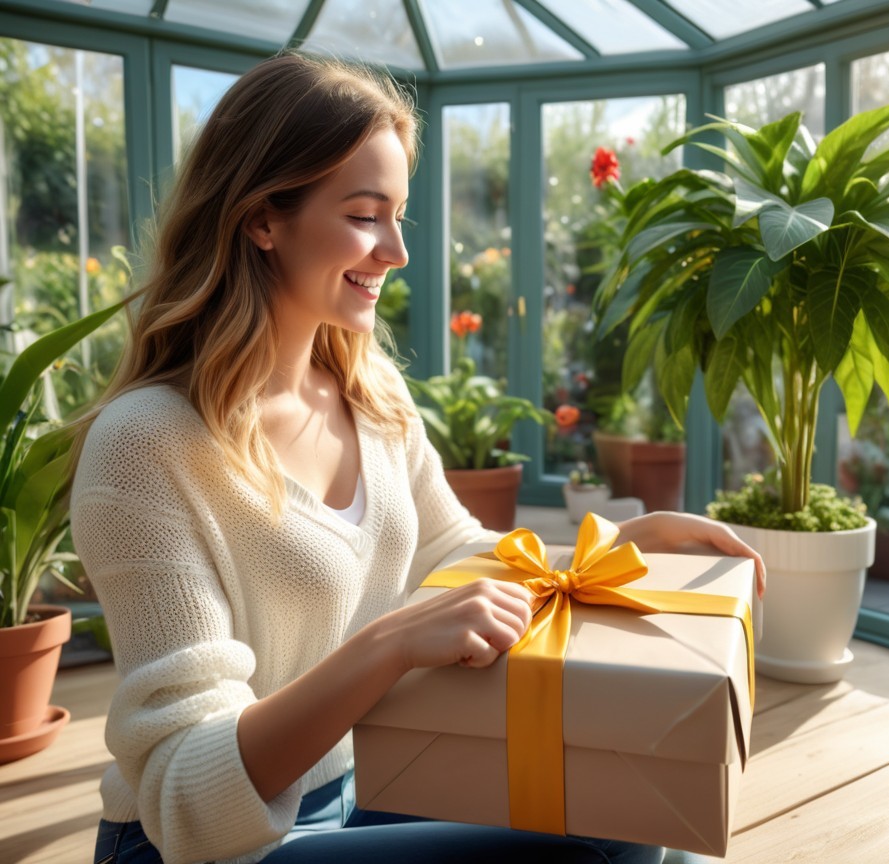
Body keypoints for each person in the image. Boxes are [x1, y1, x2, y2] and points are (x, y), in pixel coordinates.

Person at [71, 51, 765, 864]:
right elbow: (185, 793)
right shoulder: (147, 444)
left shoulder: (373, 396)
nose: (396, 250)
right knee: (605, 846)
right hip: (206, 844)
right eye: (365, 215)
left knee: (638, 805)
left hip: (366, 783)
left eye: (398, 214)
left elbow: (456, 557)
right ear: (263, 218)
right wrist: (389, 644)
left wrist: (612, 550)